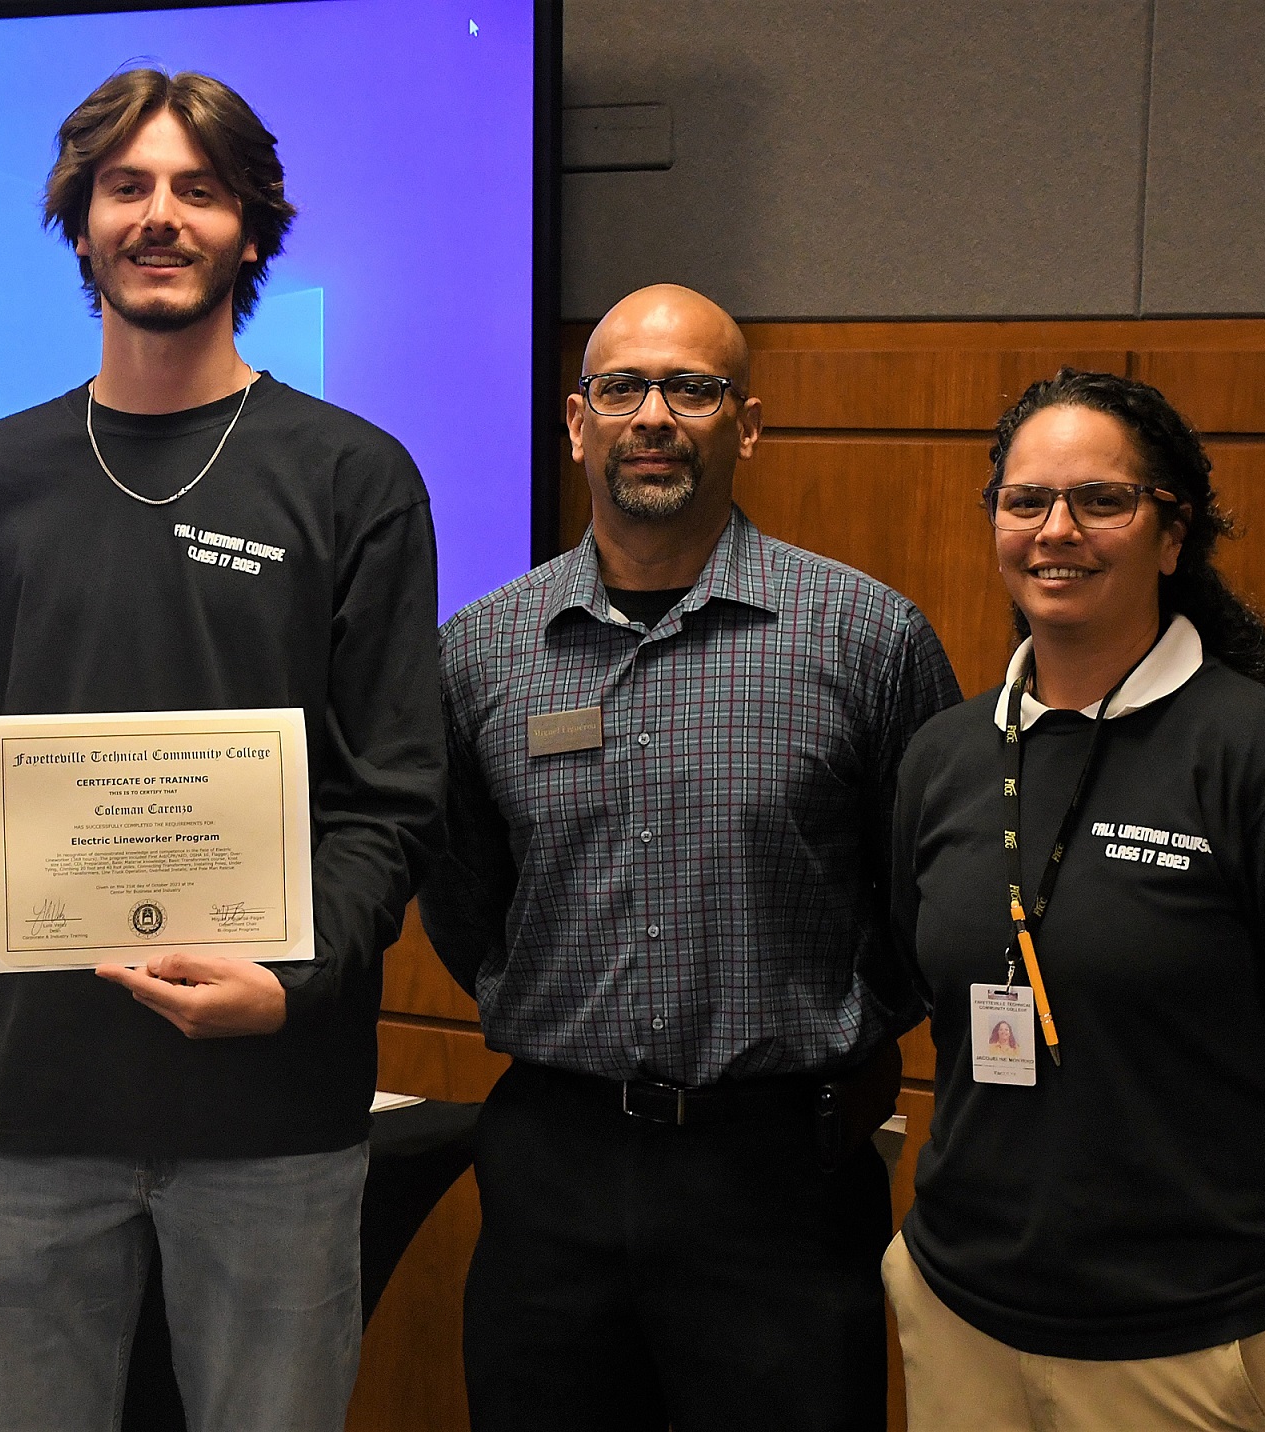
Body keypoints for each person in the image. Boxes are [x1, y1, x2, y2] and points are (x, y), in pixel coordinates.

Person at [0, 69, 442, 1432]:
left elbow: (393, 795)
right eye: (126, 187)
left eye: (198, 190)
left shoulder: (352, 476)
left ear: (252, 231)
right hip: (31, 1100)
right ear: (77, 223)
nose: (160, 217)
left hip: (274, 1108)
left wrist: (294, 980)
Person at [419, 283, 961, 1432]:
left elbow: (928, 899)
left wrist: (840, 1039)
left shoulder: (868, 636)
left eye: (693, 388)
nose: (653, 414)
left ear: (746, 424)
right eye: (622, 388)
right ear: (578, 424)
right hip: (551, 1173)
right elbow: (466, 901)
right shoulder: (478, 652)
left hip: (780, 1179)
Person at [884, 368, 1265, 1432]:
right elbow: (919, 975)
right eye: (1025, 501)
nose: (1057, 531)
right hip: (964, 1316)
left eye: (1102, 500)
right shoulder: (945, 757)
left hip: (1196, 1343)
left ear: (1172, 533)